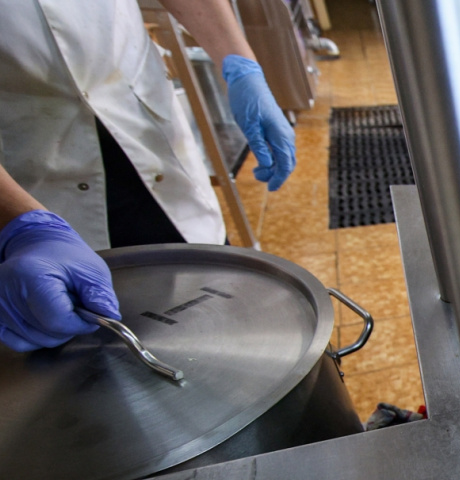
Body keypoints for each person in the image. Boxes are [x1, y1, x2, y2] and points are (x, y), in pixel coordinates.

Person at [0, 0, 296, 352]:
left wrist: (239, 63)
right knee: (85, 344)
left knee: (222, 307)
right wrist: (21, 224)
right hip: (24, 173)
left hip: (139, 115)